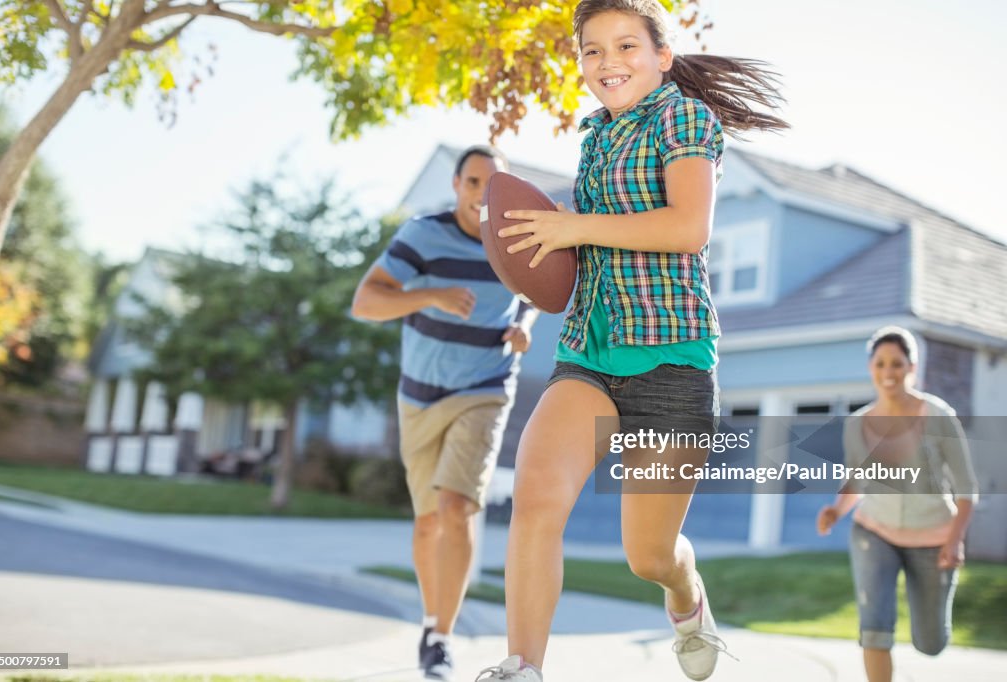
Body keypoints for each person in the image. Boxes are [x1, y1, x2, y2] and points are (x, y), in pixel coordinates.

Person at [473, 1, 787, 680]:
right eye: (592, 50)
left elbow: (686, 229)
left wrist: (576, 227)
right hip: (587, 353)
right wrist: (542, 242)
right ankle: (523, 666)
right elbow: (581, 249)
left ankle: (687, 596)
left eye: (625, 46)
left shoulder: (684, 118)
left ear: (661, 56)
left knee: (648, 556)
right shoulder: (595, 138)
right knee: (535, 501)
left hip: (670, 361)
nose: (607, 62)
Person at [351, 145, 538, 681]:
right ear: (457, 184)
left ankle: (442, 638)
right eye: (474, 182)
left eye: (493, 184)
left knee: (456, 507)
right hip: (420, 395)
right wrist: (427, 296)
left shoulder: (513, 236)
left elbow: (533, 291)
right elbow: (366, 303)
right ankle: (432, 622)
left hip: (484, 385)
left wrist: (525, 322)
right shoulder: (422, 235)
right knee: (429, 519)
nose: (484, 193)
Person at [816, 326, 979, 682]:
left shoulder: (938, 416)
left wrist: (954, 541)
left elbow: (967, 488)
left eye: (897, 364)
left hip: (933, 537)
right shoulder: (857, 424)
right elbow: (856, 480)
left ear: (911, 367)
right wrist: (836, 510)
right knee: (874, 626)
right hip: (875, 531)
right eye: (881, 364)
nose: (888, 372)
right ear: (871, 368)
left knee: (931, 641)